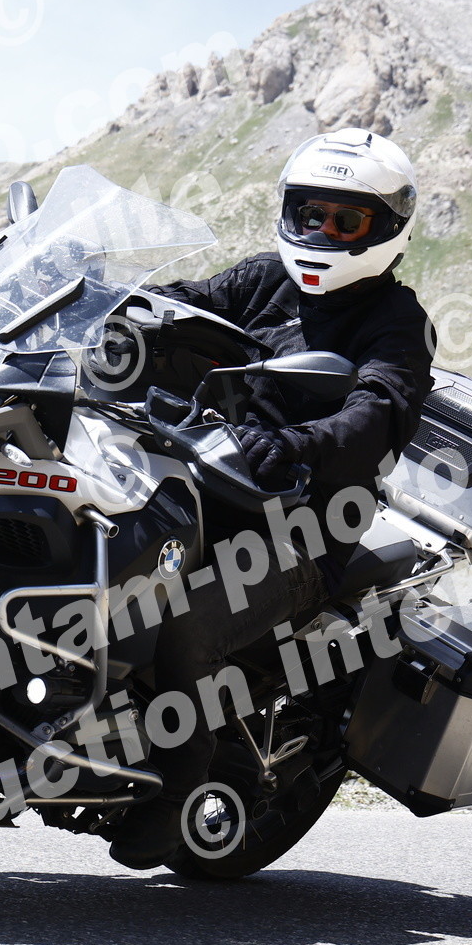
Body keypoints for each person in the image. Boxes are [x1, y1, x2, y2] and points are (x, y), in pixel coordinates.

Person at [105, 127, 437, 869]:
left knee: (184, 623)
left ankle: (176, 788)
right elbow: (182, 304)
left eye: (346, 221)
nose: (324, 233)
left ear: (385, 230)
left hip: (298, 535)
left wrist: (294, 444)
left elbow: (376, 414)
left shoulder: (397, 324)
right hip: (197, 488)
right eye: (312, 214)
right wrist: (105, 307)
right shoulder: (264, 281)